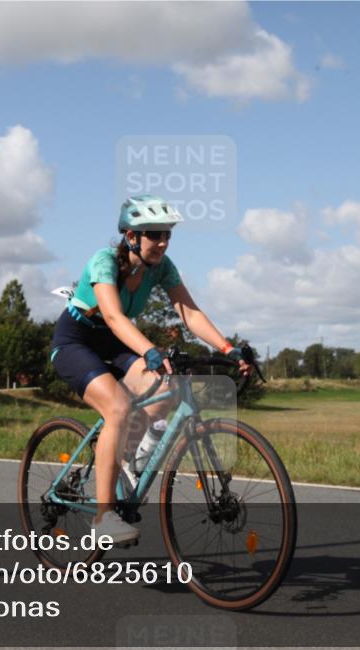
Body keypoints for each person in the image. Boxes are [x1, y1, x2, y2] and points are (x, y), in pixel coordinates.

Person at [50, 194, 251, 544]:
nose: (162, 242)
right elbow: (112, 316)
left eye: (167, 234)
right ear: (131, 237)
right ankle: (103, 517)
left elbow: (189, 312)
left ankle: (127, 464)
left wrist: (227, 347)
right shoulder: (104, 262)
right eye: (154, 234)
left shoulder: (162, 267)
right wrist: (149, 350)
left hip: (115, 342)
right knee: (118, 408)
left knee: (166, 388)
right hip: (76, 342)